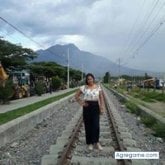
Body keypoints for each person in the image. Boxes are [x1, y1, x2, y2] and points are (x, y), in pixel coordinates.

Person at [75, 73, 105, 151]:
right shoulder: (83, 88)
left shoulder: (98, 87)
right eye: (88, 79)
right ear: (86, 80)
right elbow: (76, 96)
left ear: (93, 79)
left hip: (95, 107)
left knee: (96, 125)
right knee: (88, 125)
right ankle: (90, 143)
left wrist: (102, 107)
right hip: (87, 107)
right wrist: (82, 103)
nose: (89, 80)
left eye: (91, 78)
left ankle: (97, 142)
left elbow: (101, 98)